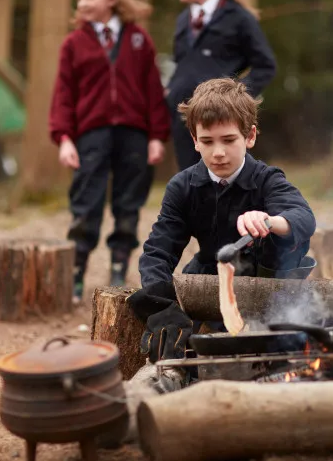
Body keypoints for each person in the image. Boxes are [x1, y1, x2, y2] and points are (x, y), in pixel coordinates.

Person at [128, 78, 316, 364]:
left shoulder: (267, 180)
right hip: (207, 281)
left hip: (267, 283)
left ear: (250, 136)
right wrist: (159, 306)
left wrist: (270, 221)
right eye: (207, 141)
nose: (218, 153)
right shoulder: (182, 187)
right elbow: (159, 251)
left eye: (229, 140)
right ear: (194, 140)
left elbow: (302, 217)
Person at [49, 0, 170, 303]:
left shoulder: (138, 40)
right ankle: (75, 276)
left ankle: (118, 271)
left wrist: (157, 135)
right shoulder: (73, 44)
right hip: (91, 134)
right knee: (86, 205)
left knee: (128, 205)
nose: (83, 2)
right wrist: (63, 138)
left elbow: (154, 91)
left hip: (134, 134)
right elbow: (63, 94)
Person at [167, 0, 276, 171]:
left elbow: (265, 66)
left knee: (226, 181)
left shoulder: (239, 17)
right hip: (184, 118)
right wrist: (171, 89)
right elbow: (183, 65)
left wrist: (234, 98)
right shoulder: (183, 20)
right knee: (191, 181)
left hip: (222, 119)